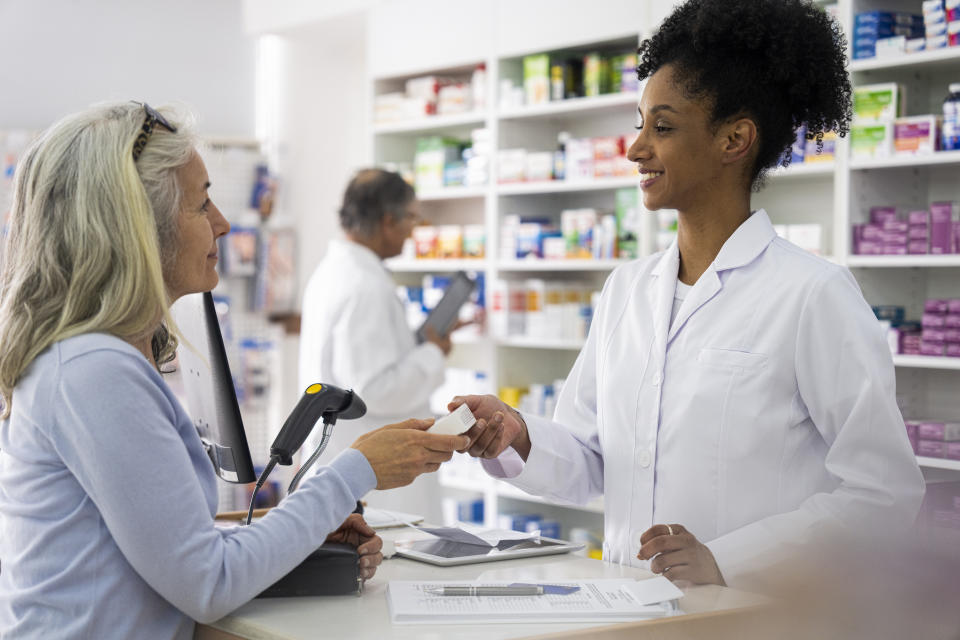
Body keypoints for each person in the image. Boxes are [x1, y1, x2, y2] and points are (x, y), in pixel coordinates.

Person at [450, 0, 925, 589]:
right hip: (627, 616)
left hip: (754, 618)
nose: (635, 149)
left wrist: (731, 559)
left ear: (735, 139)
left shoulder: (812, 295)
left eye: (663, 127)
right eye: (640, 124)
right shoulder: (627, 290)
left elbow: (883, 494)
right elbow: (595, 461)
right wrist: (518, 434)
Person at [0, 102, 469, 639]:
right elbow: (209, 581)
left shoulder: (91, 361)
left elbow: (176, 556)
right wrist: (355, 470)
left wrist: (300, 533)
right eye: (201, 207)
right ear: (136, 228)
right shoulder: (93, 372)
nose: (222, 223)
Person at [298, 168, 461, 522]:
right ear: (389, 220)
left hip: (345, 464)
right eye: (412, 219)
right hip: (374, 482)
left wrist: (418, 347)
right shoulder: (364, 286)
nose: (411, 230)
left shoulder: (335, 272)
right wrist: (433, 353)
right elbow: (374, 389)